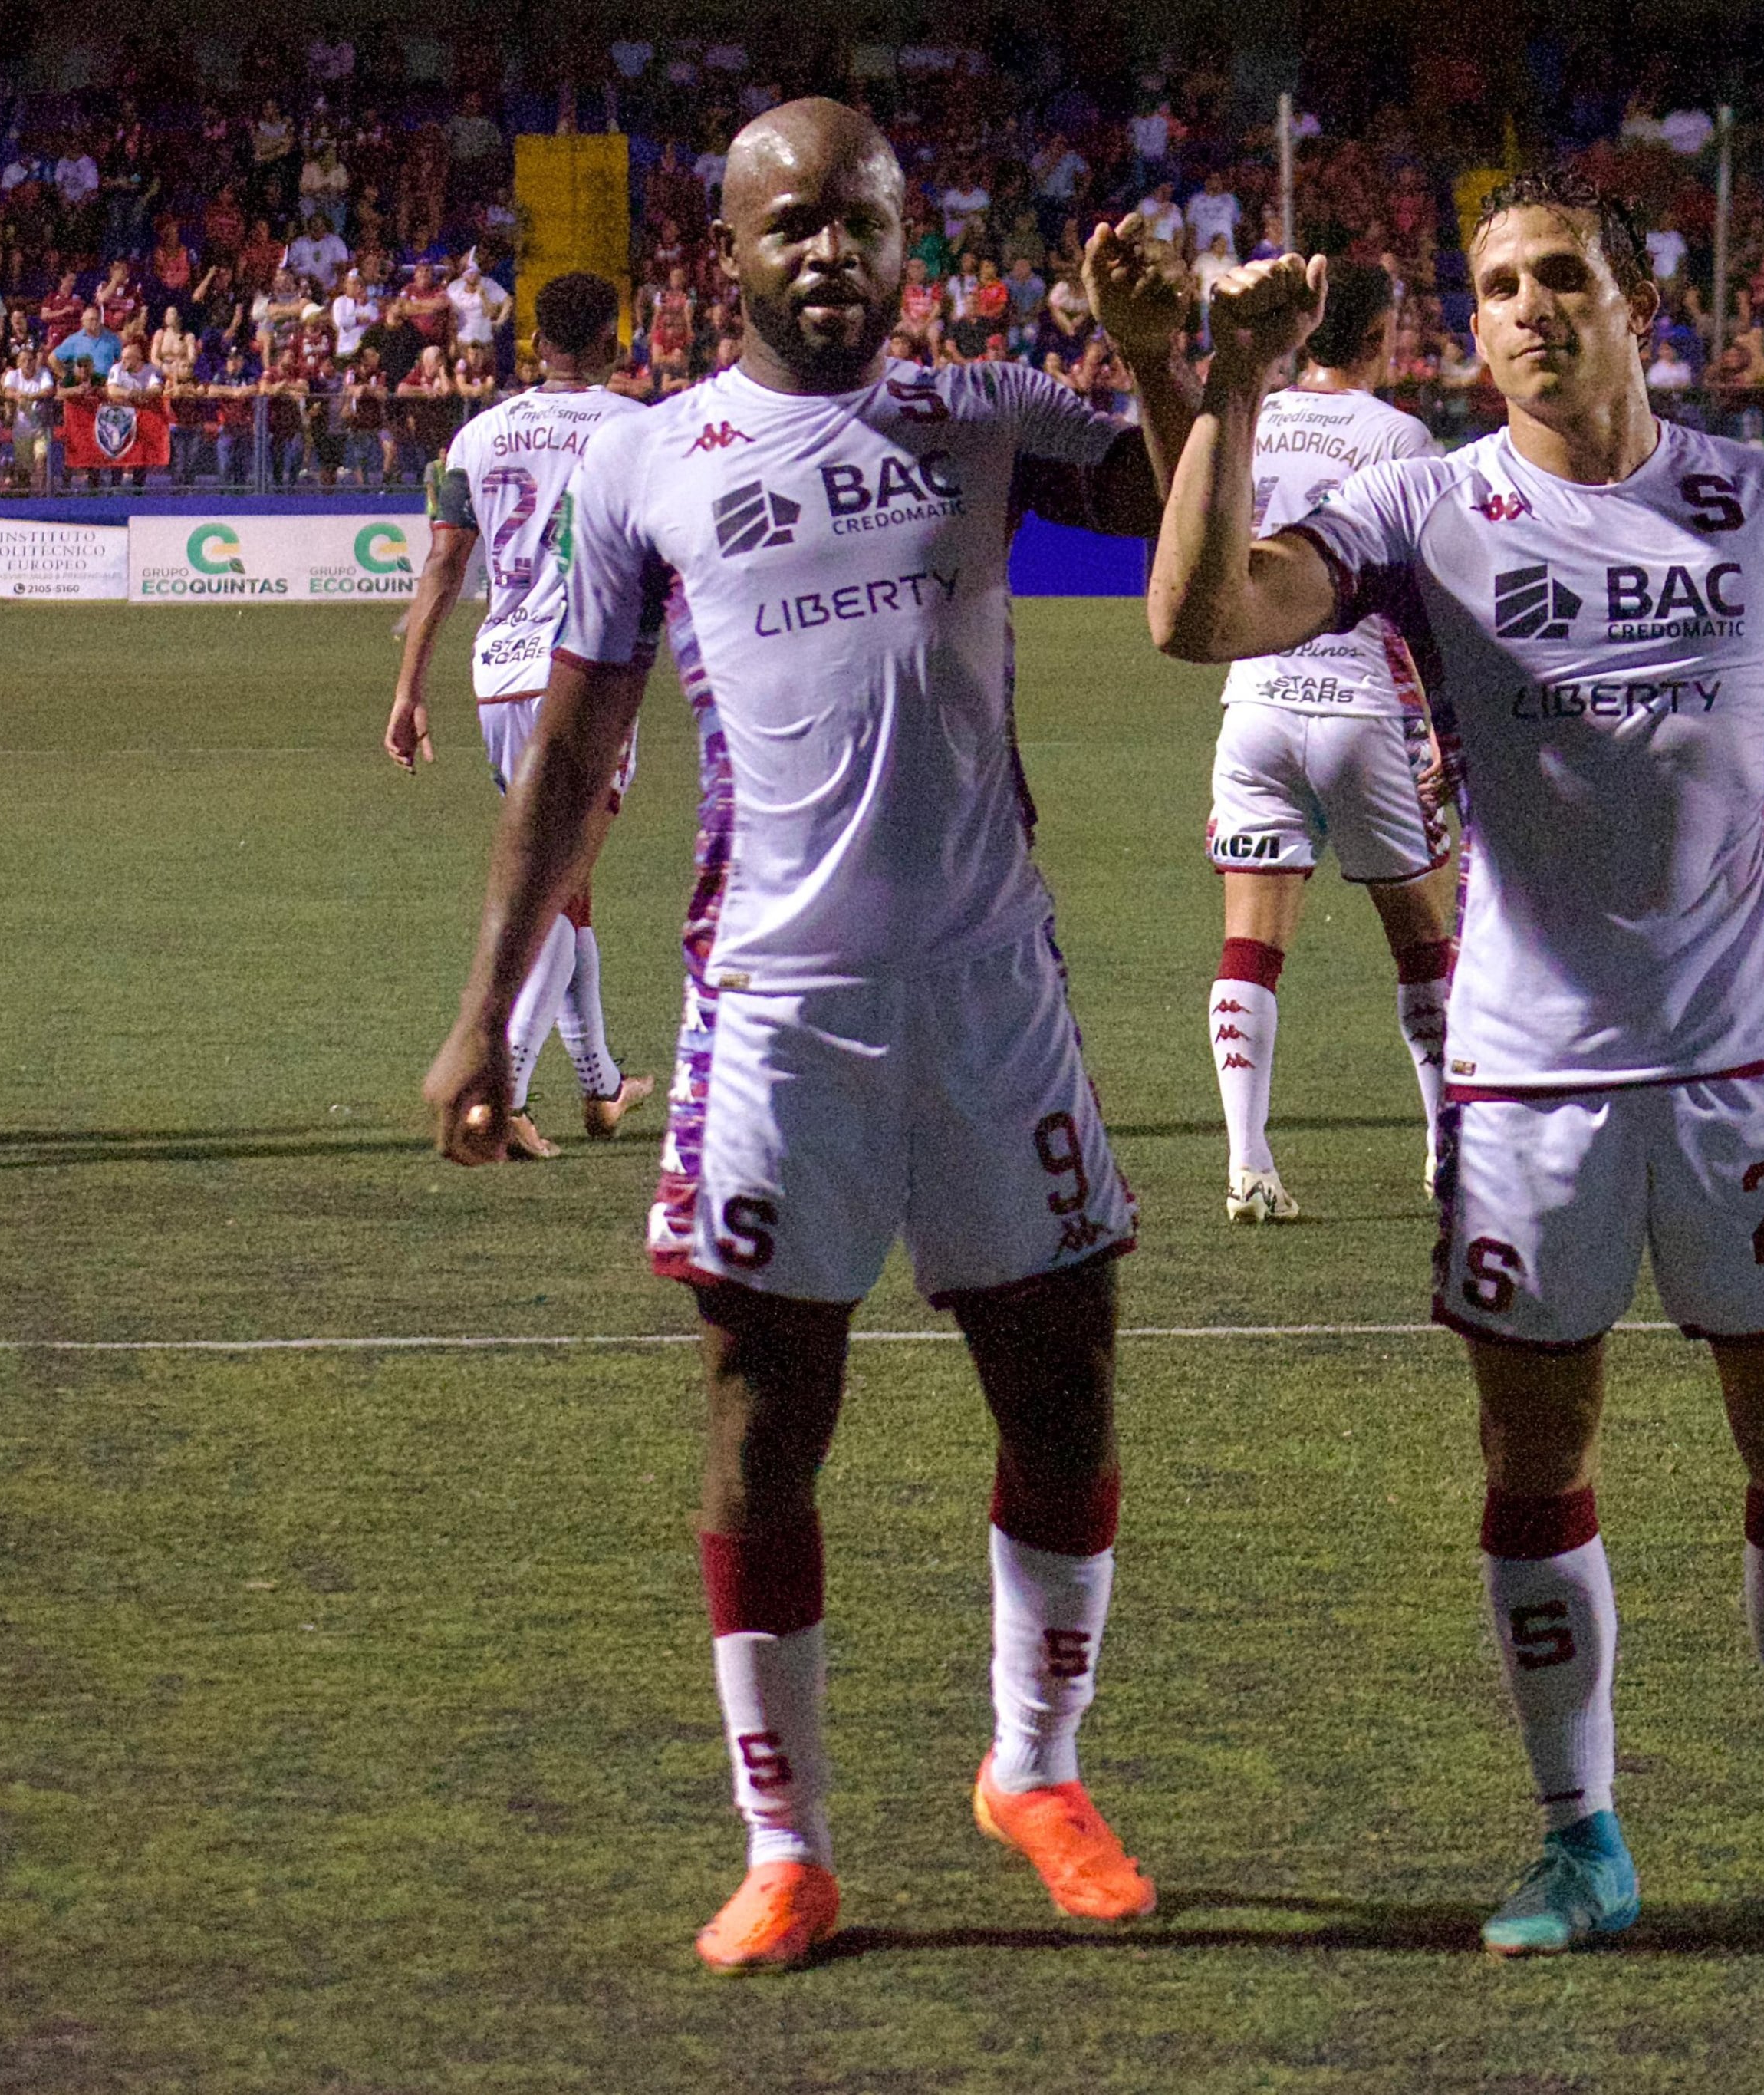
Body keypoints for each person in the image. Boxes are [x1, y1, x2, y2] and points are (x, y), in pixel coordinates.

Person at [1143, 173, 1764, 1960]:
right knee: (1536, 1452)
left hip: (1740, 1060)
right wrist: (1228, 387)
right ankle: (1576, 1841)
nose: (1532, 308)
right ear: (1472, 330)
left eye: (1564, 278)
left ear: (1636, 303)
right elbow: (1196, 619)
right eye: (1499, 288)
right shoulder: (1418, 508)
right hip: (1523, 1081)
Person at [418, 100, 1199, 1975]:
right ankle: (787, 1847)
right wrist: (486, 1015)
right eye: (791, 226)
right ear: (730, 255)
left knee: (1065, 1380)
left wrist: (1173, 365)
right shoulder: (651, 463)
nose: (827, 253)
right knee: (769, 1413)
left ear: (907, 241)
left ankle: (1036, 1767)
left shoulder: (990, 411)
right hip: (778, 1005)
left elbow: (1194, 543)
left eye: (860, 221)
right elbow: (580, 752)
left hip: (994, 986)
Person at [1197, 259, 1455, 1221]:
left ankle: (1248, 1162)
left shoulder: (1254, 415)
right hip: (1361, 707)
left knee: (1249, 945)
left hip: (1255, 703)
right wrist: (1440, 726)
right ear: (1381, 334)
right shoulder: (1401, 436)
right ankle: (1448, 1151)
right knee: (1422, 943)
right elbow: (1424, 592)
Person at [389, 272, 654, 1158]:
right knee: (555, 886)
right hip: (586, 673)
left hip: (497, 675)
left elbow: (441, 568)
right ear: (613, 346)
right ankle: (500, 1090)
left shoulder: (477, 434)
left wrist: (407, 688)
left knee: (562, 886)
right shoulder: (636, 429)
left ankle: (603, 1084)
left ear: (535, 342)